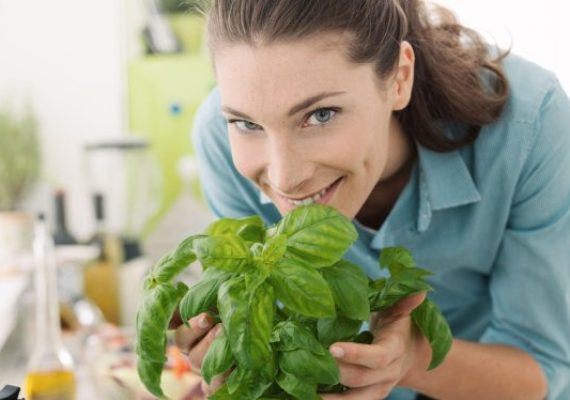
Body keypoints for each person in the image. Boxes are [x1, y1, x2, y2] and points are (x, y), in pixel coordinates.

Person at [174, 0, 570, 398]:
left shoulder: (529, 126)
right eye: (247, 123)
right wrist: (236, 356)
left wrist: (412, 360)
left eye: (321, 115)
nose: (284, 178)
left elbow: (542, 364)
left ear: (399, 77)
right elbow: (273, 332)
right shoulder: (217, 139)